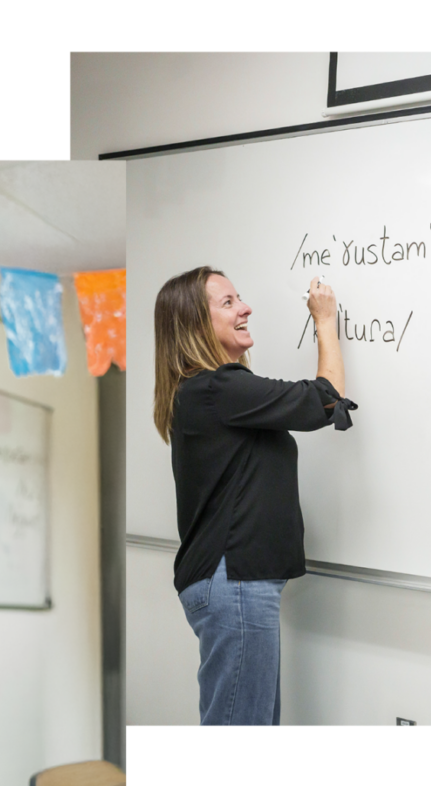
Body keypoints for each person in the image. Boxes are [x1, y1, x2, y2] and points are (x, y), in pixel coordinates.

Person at [153, 267, 356, 725]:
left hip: (237, 582)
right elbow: (326, 400)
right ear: (195, 325)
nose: (245, 308)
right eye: (227, 303)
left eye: (238, 298)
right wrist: (325, 320)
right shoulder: (215, 388)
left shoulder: (211, 392)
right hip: (235, 581)